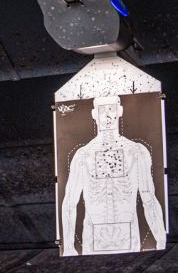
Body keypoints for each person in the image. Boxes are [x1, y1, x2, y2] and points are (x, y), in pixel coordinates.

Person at [59, 94, 164, 255]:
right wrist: (68, 247)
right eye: (102, 110)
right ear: (94, 114)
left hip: (129, 239)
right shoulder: (83, 155)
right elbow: (70, 203)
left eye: (111, 109)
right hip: (92, 240)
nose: (107, 115)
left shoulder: (136, 152)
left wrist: (161, 240)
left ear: (120, 111)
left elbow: (149, 199)